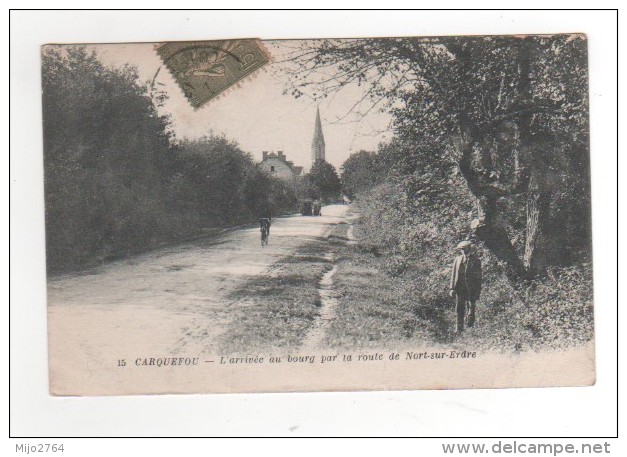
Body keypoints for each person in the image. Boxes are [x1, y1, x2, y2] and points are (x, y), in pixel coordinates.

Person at [449, 240, 482, 334]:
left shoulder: (476, 260)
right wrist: (452, 288)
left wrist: (477, 290)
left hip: (471, 289)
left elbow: (479, 277)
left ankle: (470, 328)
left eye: (464, 249)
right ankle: (459, 329)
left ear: (469, 248)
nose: (463, 251)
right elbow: (453, 274)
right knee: (459, 308)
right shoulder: (457, 259)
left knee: (471, 309)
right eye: (461, 249)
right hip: (459, 288)